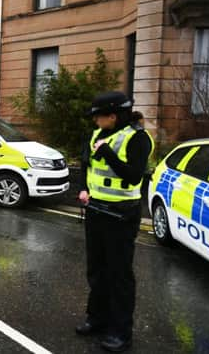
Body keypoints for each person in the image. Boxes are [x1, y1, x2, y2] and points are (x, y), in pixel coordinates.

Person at [75, 91, 154, 352]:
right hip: (96, 209)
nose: (95, 122)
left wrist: (108, 153)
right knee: (96, 270)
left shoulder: (138, 138)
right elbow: (87, 165)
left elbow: (133, 177)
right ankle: (97, 319)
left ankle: (121, 333)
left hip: (122, 214)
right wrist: (84, 188)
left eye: (98, 117)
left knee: (119, 274)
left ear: (113, 116)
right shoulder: (97, 135)